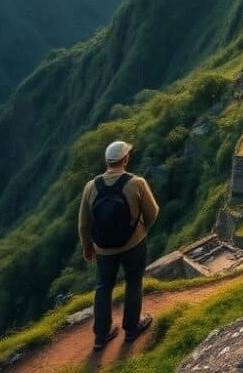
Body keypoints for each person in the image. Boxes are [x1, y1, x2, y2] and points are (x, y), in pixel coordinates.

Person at [78, 140, 159, 350]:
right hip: (134, 244)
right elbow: (153, 212)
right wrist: (140, 230)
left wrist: (87, 246)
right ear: (126, 159)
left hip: (103, 249)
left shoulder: (91, 187)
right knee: (133, 281)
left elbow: (84, 224)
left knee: (103, 286)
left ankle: (101, 335)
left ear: (107, 161)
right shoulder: (136, 183)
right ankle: (132, 328)